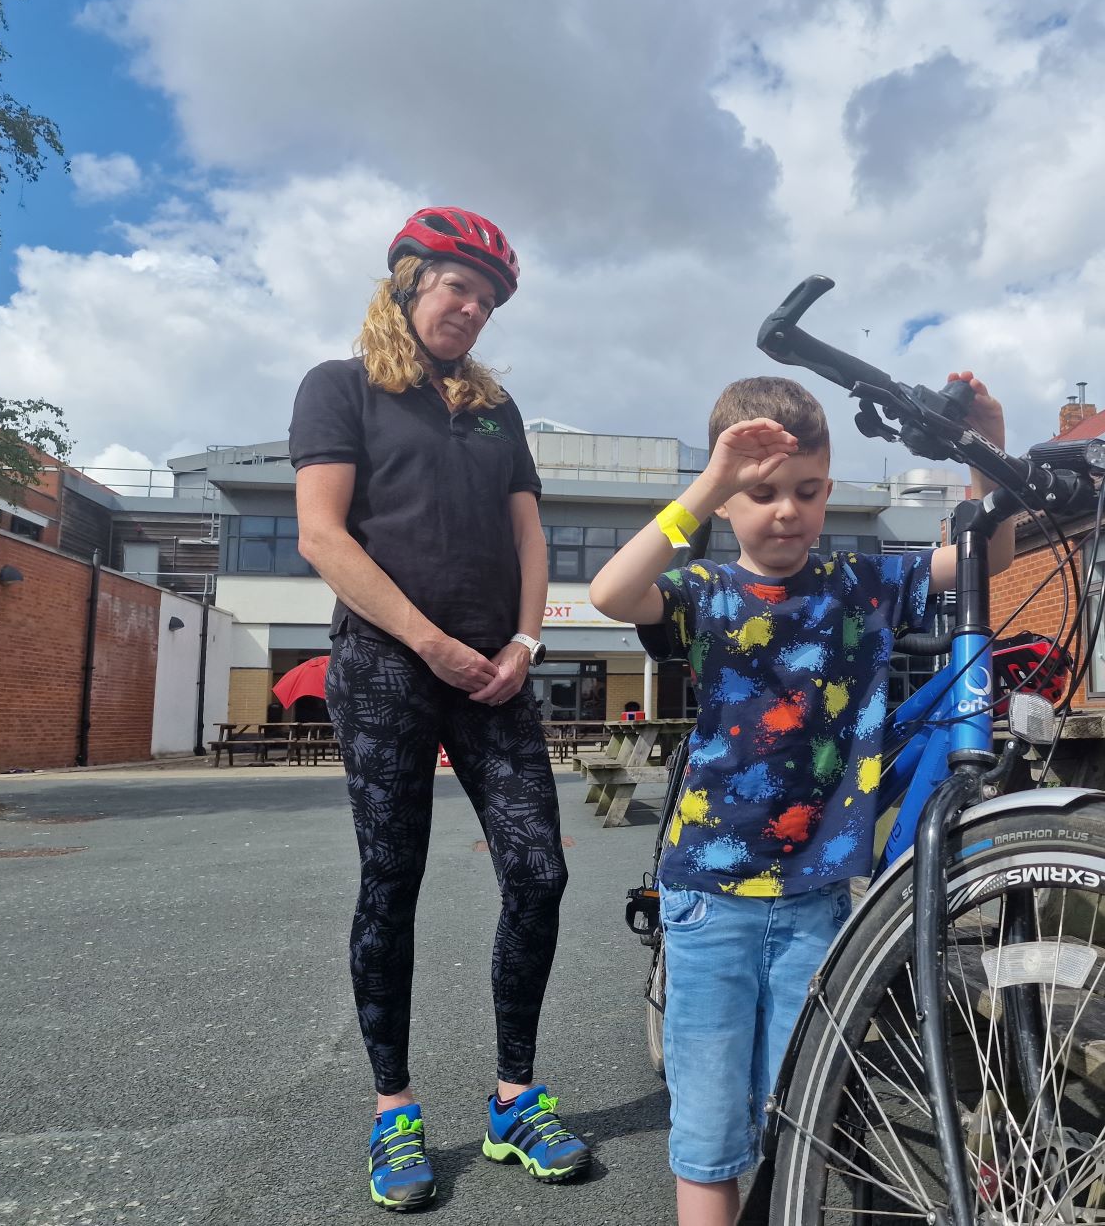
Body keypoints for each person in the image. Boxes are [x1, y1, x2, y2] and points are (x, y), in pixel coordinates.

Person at [589, 374, 1011, 1225]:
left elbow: (985, 559)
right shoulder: (704, 591)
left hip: (818, 898)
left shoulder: (858, 583)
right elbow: (609, 593)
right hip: (710, 899)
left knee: (808, 1115)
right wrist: (705, 488)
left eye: (808, 491)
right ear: (729, 499)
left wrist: (986, 455)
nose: (786, 510)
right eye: (762, 492)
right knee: (708, 1134)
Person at [290, 207, 589, 1211]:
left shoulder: (495, 411)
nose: (472, 307)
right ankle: (394, 1111)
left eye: (488, 298)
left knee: (538, 874)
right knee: (393, 879)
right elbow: (324, 538)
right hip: (386, 667)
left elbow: (532, 537)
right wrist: (430, 643)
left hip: (495, 675)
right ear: (408, 279)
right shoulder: (342, 388)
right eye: (458, 286)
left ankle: (513, 1098)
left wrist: (523, 644)